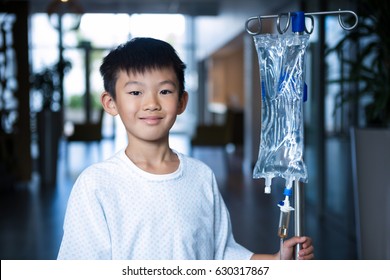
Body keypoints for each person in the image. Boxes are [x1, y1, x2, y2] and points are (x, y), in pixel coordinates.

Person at [57, 37, 314, 260]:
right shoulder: (96, 184)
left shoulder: (201, 176)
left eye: (165, 91)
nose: (151, 104)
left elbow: (221, 254)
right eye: (135, 92)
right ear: (110, 102)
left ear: (181, 101)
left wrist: (275, 260)